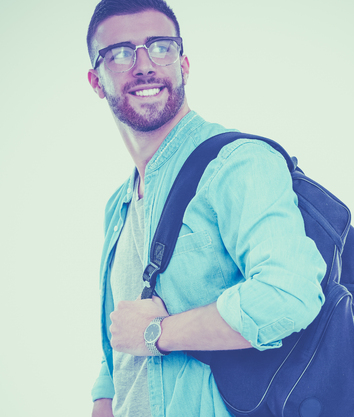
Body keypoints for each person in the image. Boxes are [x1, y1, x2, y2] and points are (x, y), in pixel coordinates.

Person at [87, 1, 327, 416]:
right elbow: (116, 350)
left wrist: (156, 332)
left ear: (184, 62)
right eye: (121, 53)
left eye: (160, 47)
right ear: (96, 80)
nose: (144, 65)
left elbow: (289, 294)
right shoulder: (118, 206)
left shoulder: (237, 163)